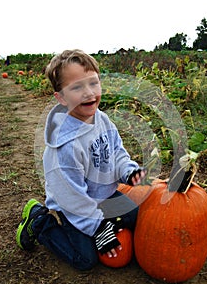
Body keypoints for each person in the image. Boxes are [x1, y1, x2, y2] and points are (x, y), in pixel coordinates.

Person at [16, 49, 146, 270]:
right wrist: (96, 227)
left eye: (93, 83)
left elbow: (116, 152)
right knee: (85, 259)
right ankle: (40, 222)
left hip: (103, 196)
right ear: (61, 98)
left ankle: (104, 225)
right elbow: (72, 198)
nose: (89, 93)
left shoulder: (102, 120)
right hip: (74, 206)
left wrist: (127, 170)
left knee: (137, 215)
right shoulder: (64, 147)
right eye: (77, 87)